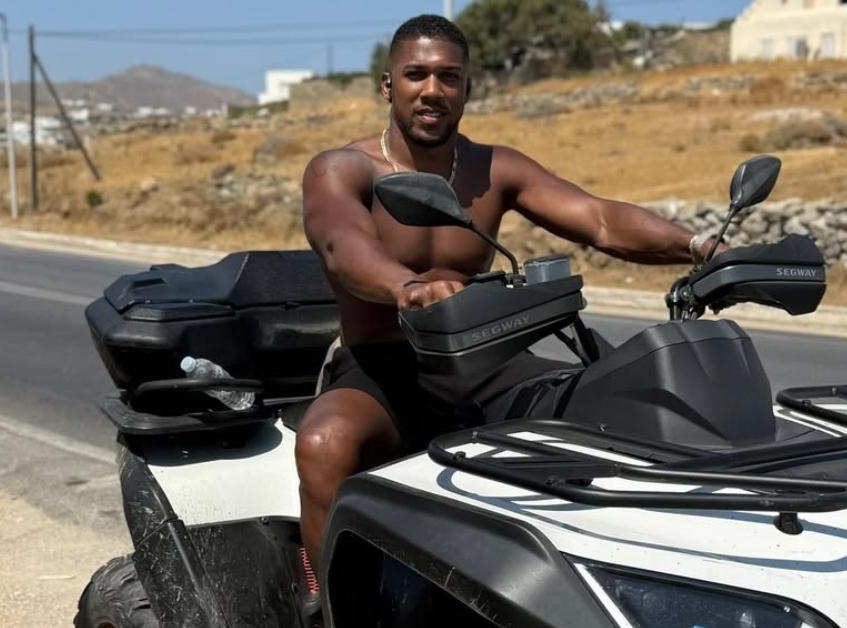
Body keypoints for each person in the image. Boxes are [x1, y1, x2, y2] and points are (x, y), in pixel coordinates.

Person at [296, 14, 724, 581]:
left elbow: (597, 219)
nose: (432, 91)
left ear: (468, 89)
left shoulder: (493, 168)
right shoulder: (342, 167)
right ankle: (327, 600)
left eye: (449, 78)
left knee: (618, 403)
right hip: (381, 364)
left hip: (481, 362)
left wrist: (698, 246)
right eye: (416, 75)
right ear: (388, 85)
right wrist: (407, 286)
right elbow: (340, 244)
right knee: (325, 443)